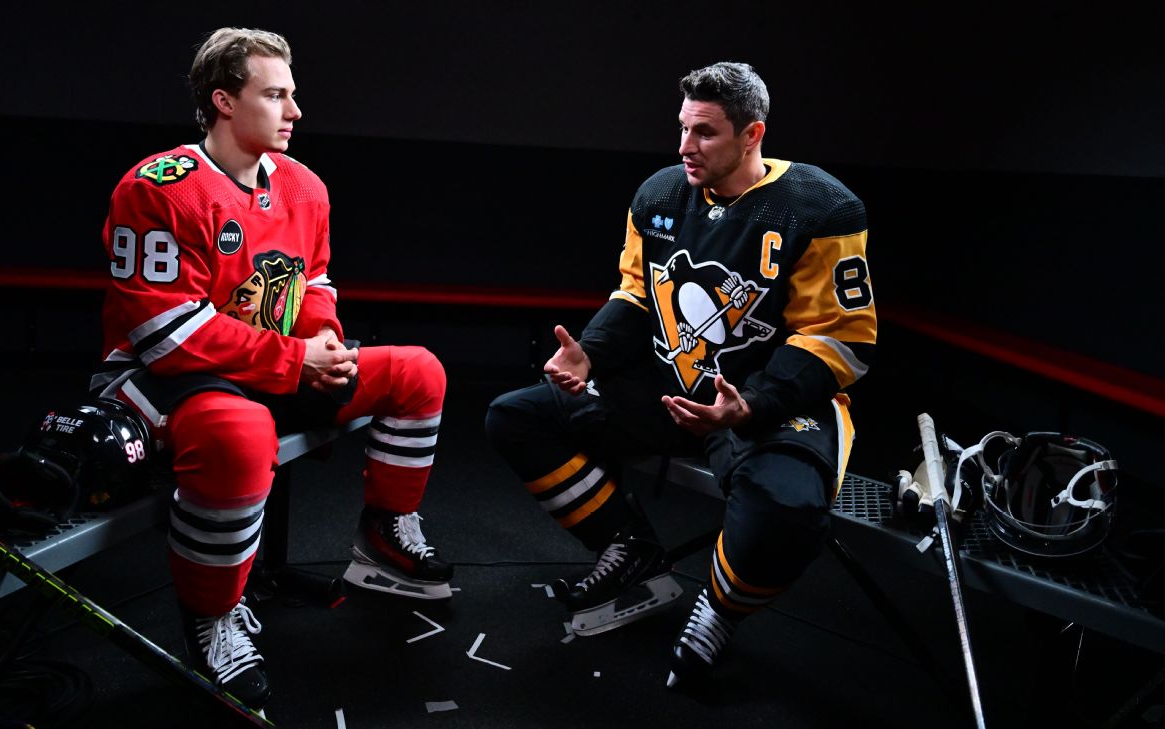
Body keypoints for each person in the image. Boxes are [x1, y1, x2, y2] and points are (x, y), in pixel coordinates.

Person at [92, 27, 452, 710]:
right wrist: (295, 360)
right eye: (277, 95)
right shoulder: (157, 188)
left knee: (418, 372)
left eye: (293, 94)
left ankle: (383, 536)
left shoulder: (303, 186)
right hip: (167, 382)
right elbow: (169, 336)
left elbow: (314, 285)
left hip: (272, 369)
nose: (295, 112)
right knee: (241, 438)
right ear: (223, 101)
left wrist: (323, 341)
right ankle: (212, 614)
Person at [486, 61, 876, 688]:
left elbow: (841, 336)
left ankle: (719, 613)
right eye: (683, 128)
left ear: (753, 135)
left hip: (760, 402)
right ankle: (630, 545)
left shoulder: (820, 207)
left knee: (789, 507)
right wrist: (591, 354)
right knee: (516, 416)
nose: (685, 147)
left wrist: (752, 405)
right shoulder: (662, 195)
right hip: (672, 389)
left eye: (705, 133)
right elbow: (637, 293)